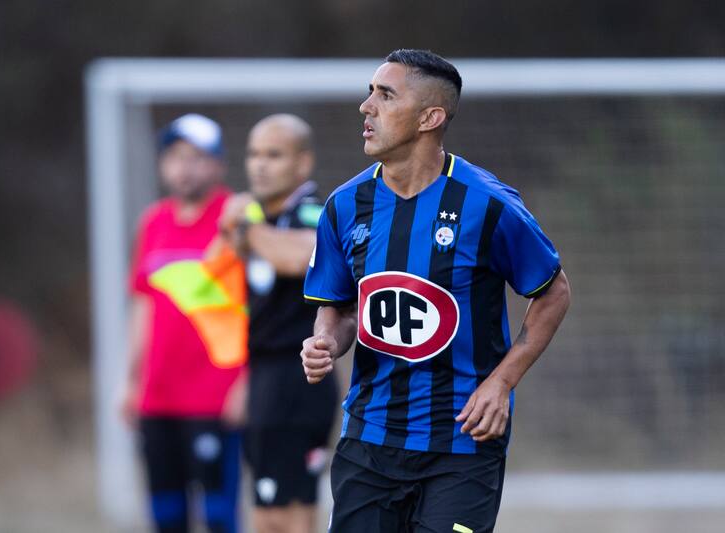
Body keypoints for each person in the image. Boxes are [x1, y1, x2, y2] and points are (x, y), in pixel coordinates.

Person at [301, 49, 571, 533]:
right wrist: (326, 341)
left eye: (386, 95)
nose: (366, 107)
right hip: (369, 440)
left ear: (430, 118)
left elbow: (553, 292)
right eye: (369, 92)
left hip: (462, 442)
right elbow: (341, 308)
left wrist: (502, 382)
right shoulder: (345, 206)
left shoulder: (488, 204)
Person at [122, 113, 248, 533]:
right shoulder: (153, 222)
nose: (185, 168)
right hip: (158, 396)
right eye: (175, 157)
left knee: (218, 515)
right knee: (166, 513)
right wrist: (131, 380)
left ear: (218, 165)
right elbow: (143, 304)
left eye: (197, 157)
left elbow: (260, 308)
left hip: (215, 395)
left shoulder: (237, 219)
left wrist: (246, 382)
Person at [219, 114, 338, 533]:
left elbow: (303, 256)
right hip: (265, 376)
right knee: (266, 512)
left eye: (274, 155)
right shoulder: (262, 219)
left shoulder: (314, 211)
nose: (260, 165)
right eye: (254, 154)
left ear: (303, 163)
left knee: (290, 513)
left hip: (299, 378)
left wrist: (247, 230)